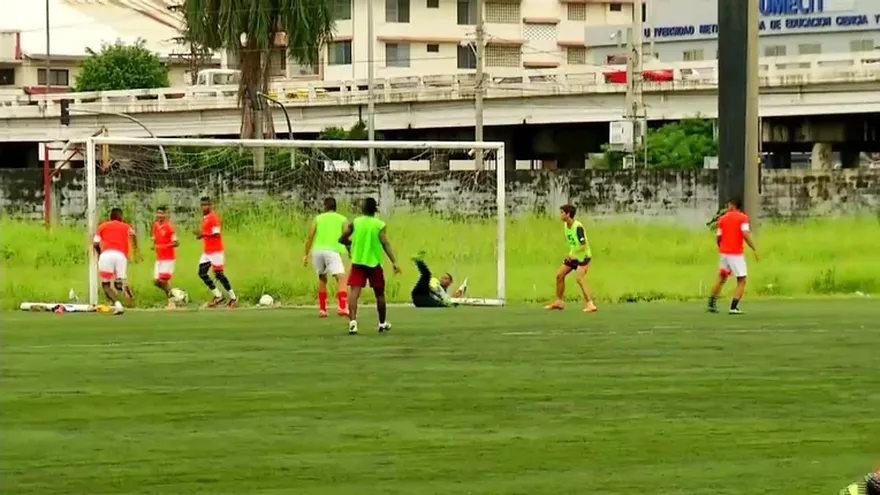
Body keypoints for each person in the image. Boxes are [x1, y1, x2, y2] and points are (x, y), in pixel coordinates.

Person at [339, 197, 400, 335]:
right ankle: (382, 323)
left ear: (363, 208)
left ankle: (353, 322)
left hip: (358, 261)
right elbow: (385, 243)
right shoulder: (379, 224)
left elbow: (343, 238)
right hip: (374, 262)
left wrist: (348, 244)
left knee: (354, 292)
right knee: (379, 293)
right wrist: (394, 262)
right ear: (375, 210)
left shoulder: (356, 222)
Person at [708, 197, 759, 314]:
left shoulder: (722, 219)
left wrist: (721, 247)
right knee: (742, 280)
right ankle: (733, 307)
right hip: (736, 254)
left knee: (721, 278)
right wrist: (754, 249)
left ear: (732, 205)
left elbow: (718, 237)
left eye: (728, 205)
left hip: (724, 253)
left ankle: (711, 303)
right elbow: (745, 234)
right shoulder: (743, 218)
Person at [544, 204, 598, 313]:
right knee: (559, 275)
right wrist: (572, 254)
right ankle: (559, 302)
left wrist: (573, 253)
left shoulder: (578, 227)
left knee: (579, 278)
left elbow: (583, 245)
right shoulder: (566, 225)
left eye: (562, 213)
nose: (560, 215)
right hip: (573, 256)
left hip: (583, 256)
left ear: (568, 214)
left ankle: (590, 304)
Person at [303, 197, 349, 318]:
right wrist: (350, 251)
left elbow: (310, 236)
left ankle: (323, 309)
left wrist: (306, 254)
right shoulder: (342, 219)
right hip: (332, 250)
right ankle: (342, 307)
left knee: (322, 278)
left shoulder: (318, 218)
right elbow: (346, 237)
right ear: (335, 207)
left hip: (317, 251)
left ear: (325, 207)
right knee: (342, 278)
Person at [93, 207, 139, 315]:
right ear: (121, 217)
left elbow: (95, 243)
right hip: (121, 256)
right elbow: (133, 235)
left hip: (107, 255)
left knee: (106, 284)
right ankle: (129, 298)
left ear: (110, 217)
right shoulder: (126, 226)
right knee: (119, 283)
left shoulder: (102, 226)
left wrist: (100, 254)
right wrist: (136, 249)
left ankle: (117, 305)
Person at [195, 197, 237, 308]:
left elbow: (216, 234)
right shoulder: (205, 217)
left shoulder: (213, 217)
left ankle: (233, 297)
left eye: (206, 205)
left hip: (216, 251)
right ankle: (218, 296)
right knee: (202, 273)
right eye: (202, 205)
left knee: (219, 274)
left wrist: (203, 234)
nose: (204, 207)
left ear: (211, 205)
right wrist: (201, 235)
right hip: (207, 252)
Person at [151, 206, 179, 309]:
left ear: (166, 215)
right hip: (159, 258)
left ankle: (172, 302)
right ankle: (176, 295)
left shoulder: (169, 227)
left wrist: (163, 246)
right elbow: (154, 238)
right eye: (158, 213)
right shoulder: (155, 225)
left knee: (163, 281)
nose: (160, 215)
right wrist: (154, 245)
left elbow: (176, 243)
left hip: (168, 258)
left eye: (162, 213)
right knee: (156, 281)